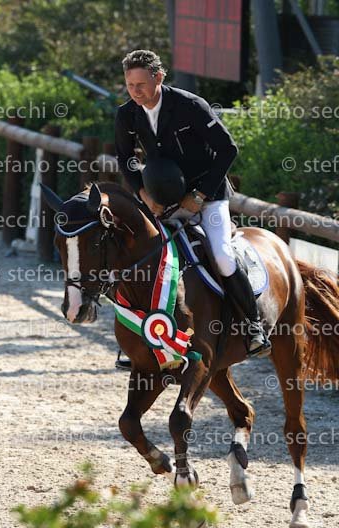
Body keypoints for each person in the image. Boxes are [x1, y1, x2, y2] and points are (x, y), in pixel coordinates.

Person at [114, 49, 271, 368]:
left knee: (222, 256)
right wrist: (143, 193)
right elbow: (125, 158)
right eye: (130, 85)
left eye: (141, 84)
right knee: (143, 257)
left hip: (208, 195)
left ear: (159, 77)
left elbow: (228, 149)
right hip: (162, 198)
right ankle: (141, 337)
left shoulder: (190, 106)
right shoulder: (127, 114)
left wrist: (199, 195)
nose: (135, 92)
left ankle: (253, 327)